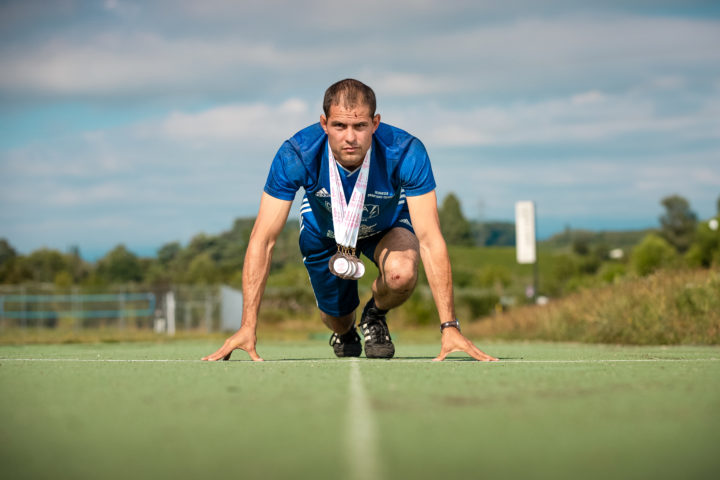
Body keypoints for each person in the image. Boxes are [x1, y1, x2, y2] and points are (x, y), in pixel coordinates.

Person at [203, 79, 497, 362]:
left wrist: (450, 327)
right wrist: (247, 326)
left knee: (402, 274)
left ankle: (374, 314)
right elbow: (262, 240)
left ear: (375, 123)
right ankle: (345, 332)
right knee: (336, 318)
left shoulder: (405, 151)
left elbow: (431, 240)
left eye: (360, 126)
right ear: (324, 124)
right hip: (325, 233)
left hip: (386, 226)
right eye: (339, 125)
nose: (350, 137)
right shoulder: (296, 153)